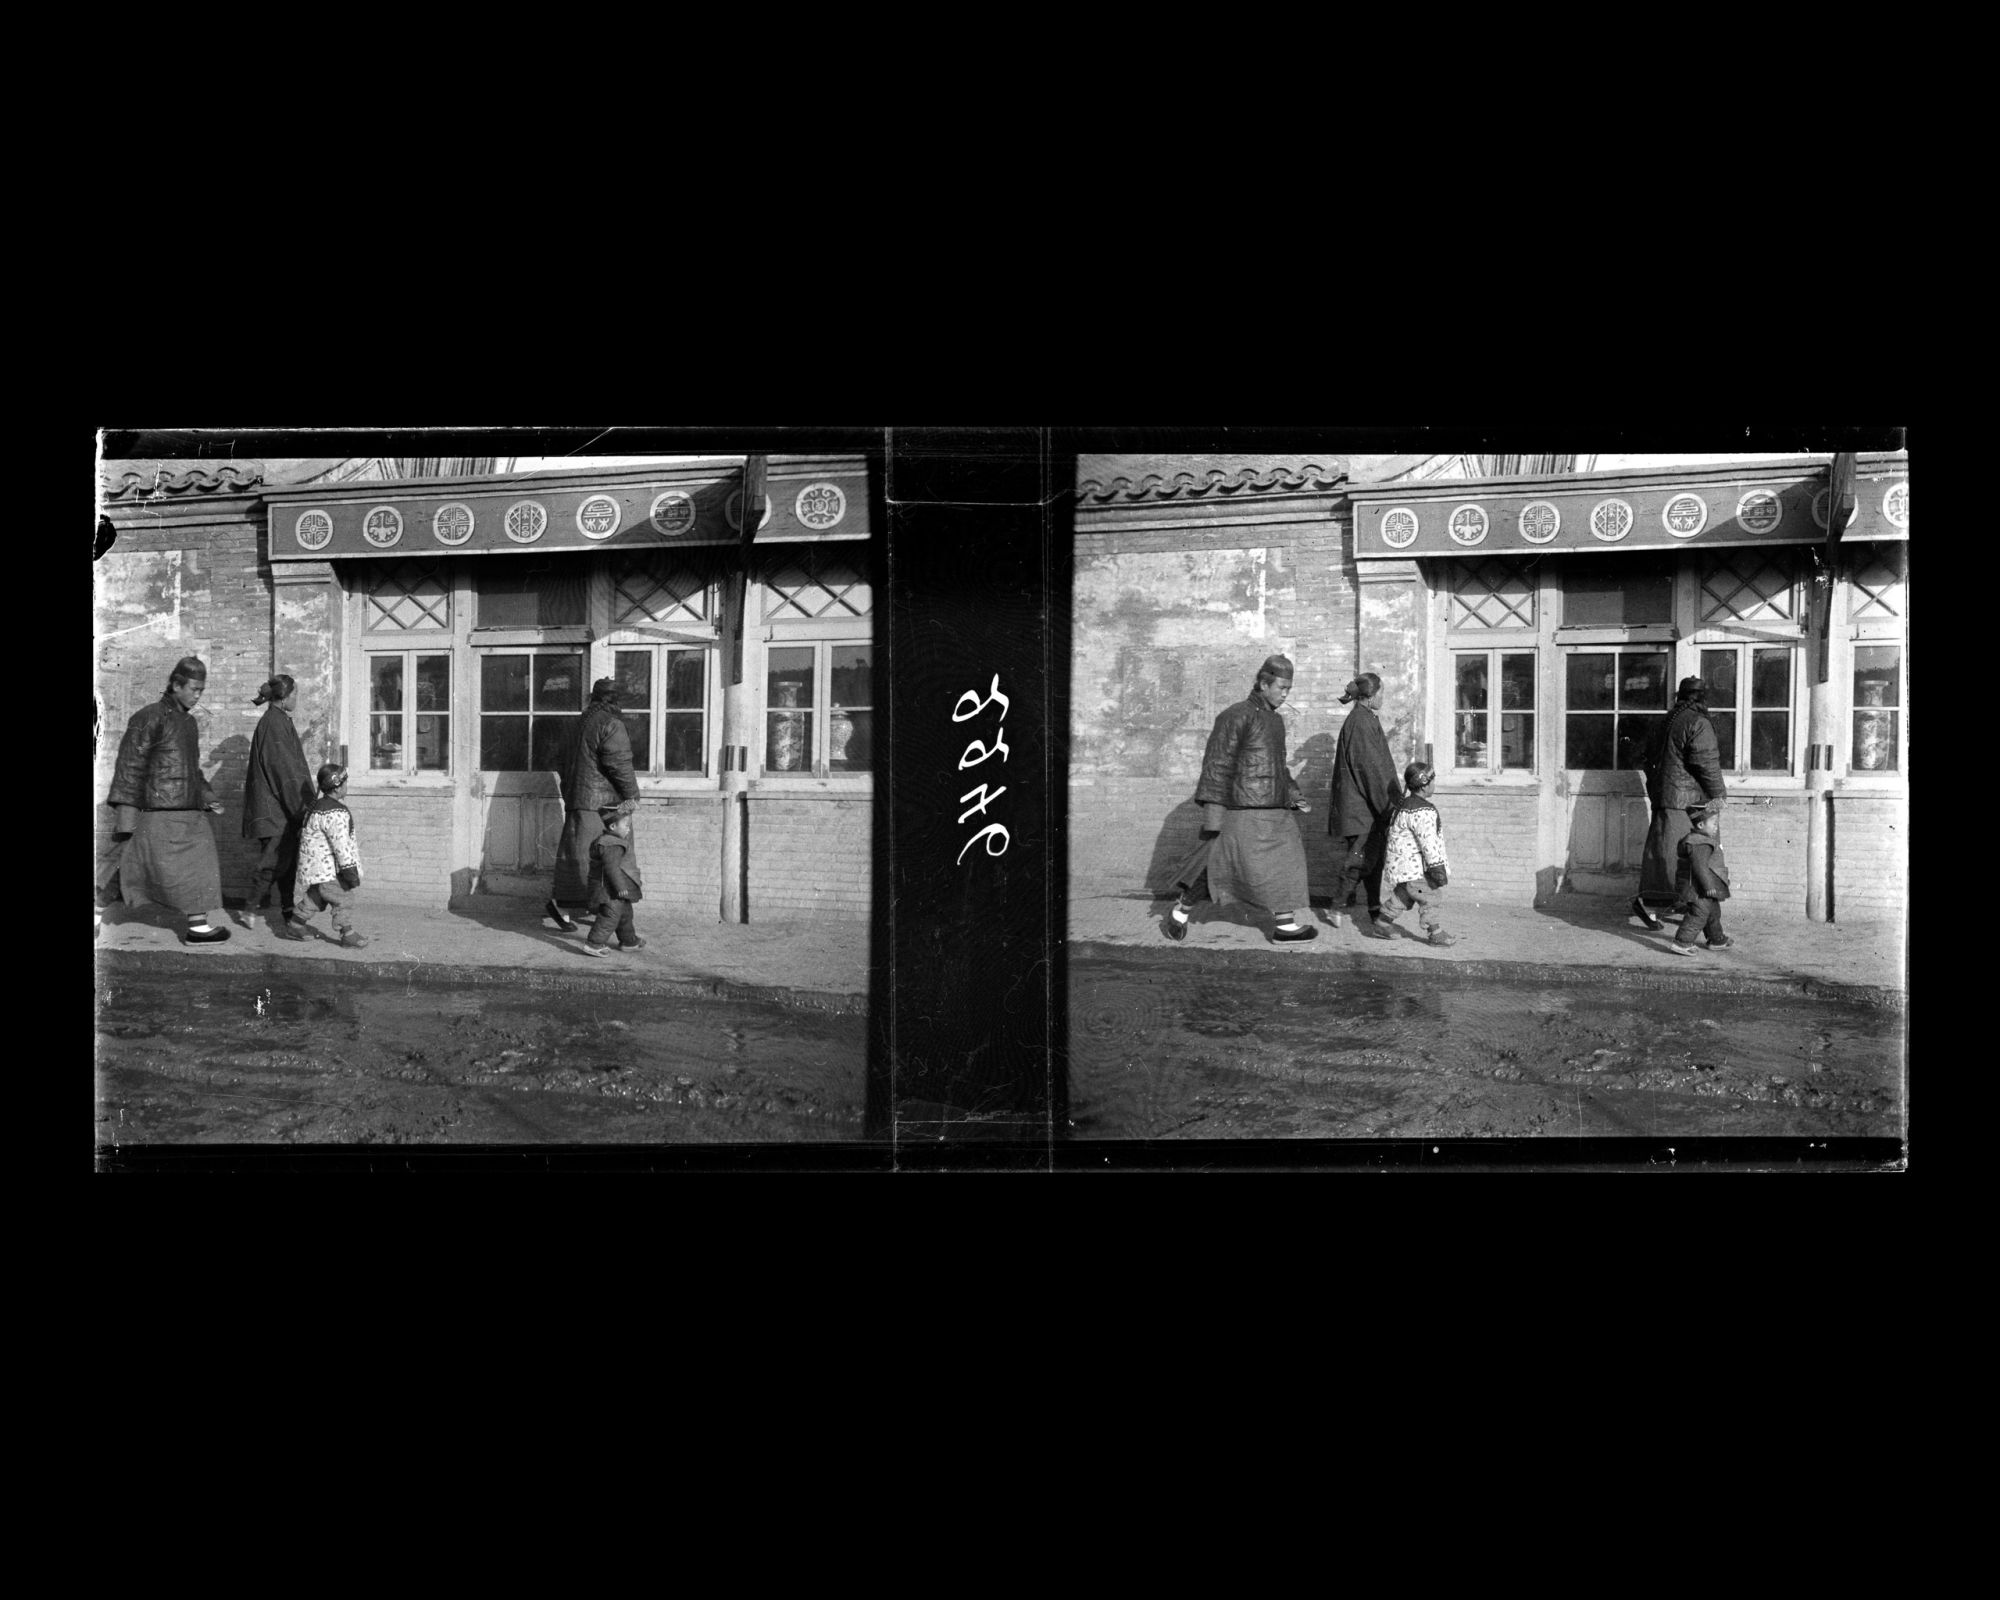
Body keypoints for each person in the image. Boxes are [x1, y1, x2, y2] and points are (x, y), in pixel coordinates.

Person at [1163, 653, 1317, 944]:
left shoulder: (1275, 721)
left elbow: (1278, 766)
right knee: (1222, 869)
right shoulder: (1235, 715)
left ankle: (1285, 926)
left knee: (1287, 860)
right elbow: (1217, 765)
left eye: (1289, 689)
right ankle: (1181, 911)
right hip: (1243, 811)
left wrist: (1295, 796)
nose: (1285, 695)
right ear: (1263, 683)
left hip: (1275, 811)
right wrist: (1213, 817)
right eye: (1281, 688)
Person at [104, 655, 231, 944]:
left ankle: (198, 928)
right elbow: (129, 766)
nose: (198, 696)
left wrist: (208, 797)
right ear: (176, 684)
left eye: (201, 690)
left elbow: (191, 768)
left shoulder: (188, 723)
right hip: (157, 813)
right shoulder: (148, 716)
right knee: (129, 865)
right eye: (194, 689)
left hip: (188, 812)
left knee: (201, 860)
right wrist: (126, 814)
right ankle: (98, 913)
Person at [1633, 675, 1728, 930]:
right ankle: (1655, 904)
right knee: (1692, 857)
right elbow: (1707, 764)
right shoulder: (1699, 722)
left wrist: (1657, 791)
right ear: (1702, 698)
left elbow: (1647, 760)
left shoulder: (1664, 721)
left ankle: (1659, 903)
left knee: (1663, 855)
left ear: (1680, 696)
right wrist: (1720, 797)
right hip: (1690, 803)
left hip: (1665, 799)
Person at [549, 677, 640, 932]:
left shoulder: (577, 722)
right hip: (605, 806)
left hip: (579, 801)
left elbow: (560, 762)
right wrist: (633, 796)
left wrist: (570, 792)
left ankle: (563, 906)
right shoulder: (612, 723)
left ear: (593, 697)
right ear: (615, 700)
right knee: (610, 859)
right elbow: (619, 764)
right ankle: (610, 915)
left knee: (577, 858)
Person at [1326, 671, 1403, 930]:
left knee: (1375, 856)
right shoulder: (1360, 722)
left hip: (1367, 806)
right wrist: (1389, 807)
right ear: (1370, 697)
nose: (1383, 697)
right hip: (1362, 808)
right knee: (1359, 858)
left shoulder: (1366, 718)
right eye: (1381, 693)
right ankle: (1336, 906)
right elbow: (1370, 770)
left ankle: (1373, 907)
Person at [240, 673, 315, 937]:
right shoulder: (274, 723)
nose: (297, 699)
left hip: (279, 807)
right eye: (294, 695)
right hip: (276, 809)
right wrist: (302, 809)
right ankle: (249, 907)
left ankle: (286, 909)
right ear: (283, 698)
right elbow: (283, 770)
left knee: (287, 860)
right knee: (273, 861)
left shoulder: (278, 720)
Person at [1371, 760, 1457, 947]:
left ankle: (1382, 922)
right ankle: (1435, 932)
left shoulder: (1403, 806)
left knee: (1404, 894)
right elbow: (1429, 844)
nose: (1434, 784)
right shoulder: (1423, 811)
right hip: (1416, 869)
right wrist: (1437, 868)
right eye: (1432, 780)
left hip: (1403, 867)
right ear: (1424, 785)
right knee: (1431, 896)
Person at [293, 763, 368, 949]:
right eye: (345, 782)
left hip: (316, 866)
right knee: (343, 897)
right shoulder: (336, 813)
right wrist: (350, 872)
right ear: (338, 786)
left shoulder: (316, 806)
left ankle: (295, 925)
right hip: (329, 868)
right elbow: (341, 846)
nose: (346, 786)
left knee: (316, 896)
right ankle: (347, 934)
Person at [1663, 801, 1732, 956]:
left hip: (1702, 886)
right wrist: (1708, 887)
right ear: (1701, 825)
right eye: (1714, 823)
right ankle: (1682, 942)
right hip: (1697, 888)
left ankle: (1717, 939)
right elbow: (1700, 867)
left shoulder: (1699, 840)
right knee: (1699, 914)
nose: (1716, 827)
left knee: (1713, 912)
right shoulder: (1699, 843)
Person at [580, 804, 647, 956]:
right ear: (612, 826)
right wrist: (620, 887)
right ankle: (594, 944)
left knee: (625, 914)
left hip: (614, 890)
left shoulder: (610, 841)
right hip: (610, 891)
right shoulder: (611, 844)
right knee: (610, 916)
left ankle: (629, 941)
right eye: (626, 825)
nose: (628, 829)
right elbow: (611, 868)